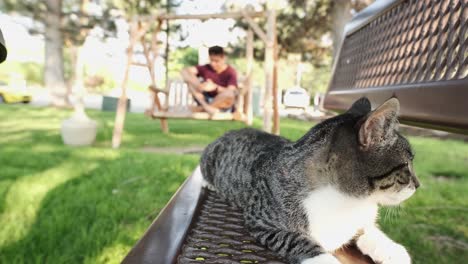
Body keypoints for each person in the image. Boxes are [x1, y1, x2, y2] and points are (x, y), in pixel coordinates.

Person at [181, 46, 238, 115]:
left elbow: (231, 91)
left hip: (221, 103)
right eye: (211, 60)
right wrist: (199, 85)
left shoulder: (231, 72)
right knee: (189, 81)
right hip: (204, 100)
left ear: (223, 58)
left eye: (216, 61)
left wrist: (215, 88)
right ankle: (206, 108)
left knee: (229, 94)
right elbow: (184, 71)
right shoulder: (206, 68)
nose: (213, 64)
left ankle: (202, 109)